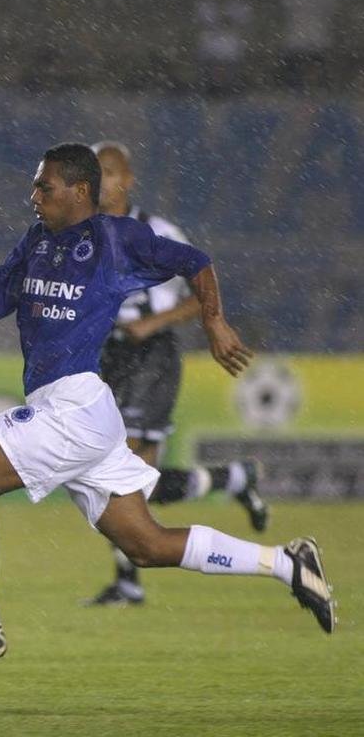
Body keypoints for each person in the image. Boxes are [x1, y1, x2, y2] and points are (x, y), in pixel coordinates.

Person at [0, 143, 336, 665]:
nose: (33, 195)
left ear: (79, 191)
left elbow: (196, 262)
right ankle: (288, 563)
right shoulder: (39, 240)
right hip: (81, 412)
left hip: (73, 407)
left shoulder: (117, 239)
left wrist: (213, 321)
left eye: (42, 186)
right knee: (147, 545)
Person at [85, 140, 269, 607]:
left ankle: (129, 583)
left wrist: (154, 322)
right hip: (107, 356)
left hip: (152, 356)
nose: (99, 181)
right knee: (135, 484)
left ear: (127, 179)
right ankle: (233, 480)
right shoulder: (81, 232)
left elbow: (199, 289)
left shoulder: (156, 230)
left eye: (107, 172)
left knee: (120, 471)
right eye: (92, 173)